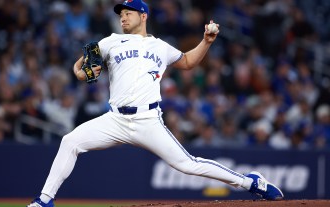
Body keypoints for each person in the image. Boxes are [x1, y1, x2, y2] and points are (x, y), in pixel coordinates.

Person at [27, 0, 284, 206]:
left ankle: (250, 183)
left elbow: (187, 62)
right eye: (121, 14)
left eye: (129, 12)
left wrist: (205, 42)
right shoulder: (110, 41)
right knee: (70, 141)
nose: (123, 17)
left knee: (187, 164)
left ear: (144, 16)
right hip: (115, 119)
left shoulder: (160, 46)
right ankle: (45, 200)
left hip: (148, 120)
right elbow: (86, 72)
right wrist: (78, 70)